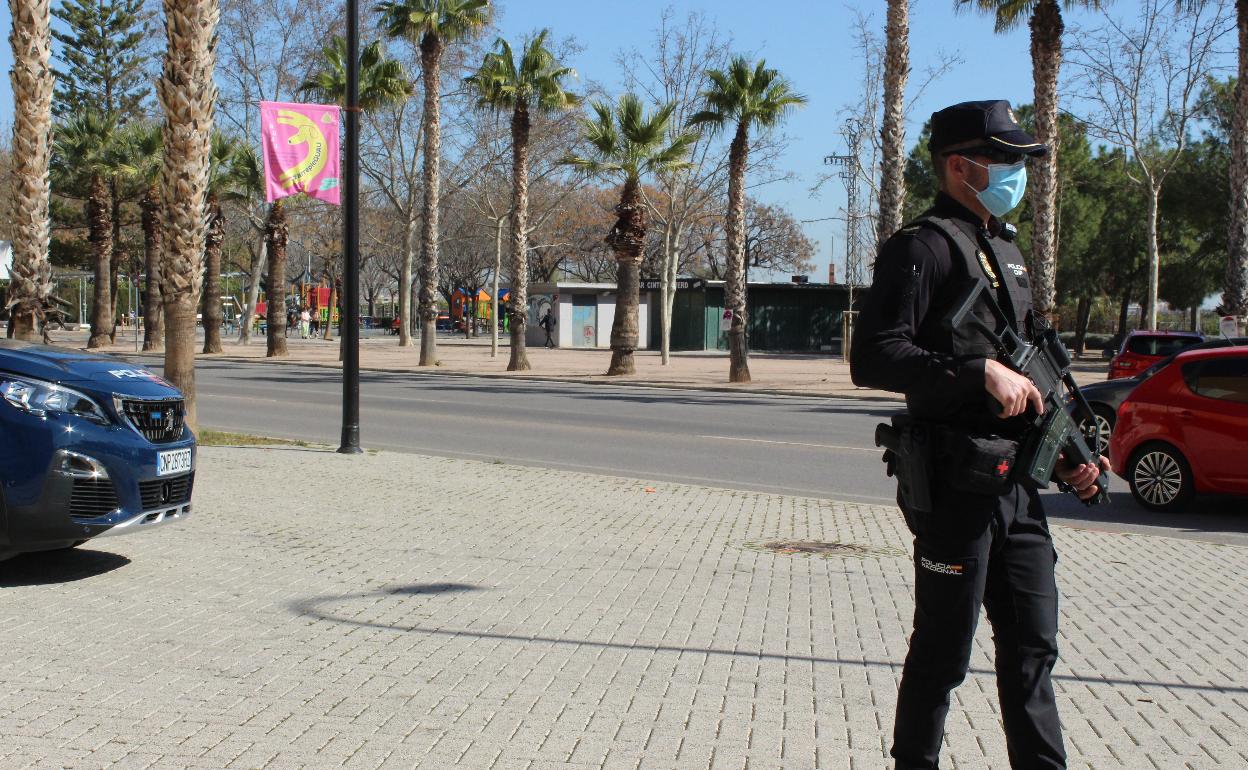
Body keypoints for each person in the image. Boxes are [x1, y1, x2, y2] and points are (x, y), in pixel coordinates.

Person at [849, 100, 1110, 770]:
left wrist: (1072, 458)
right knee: (942, 654)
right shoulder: (922, 247)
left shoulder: (1006, 250)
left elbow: (1034, 372)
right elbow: (873, 356)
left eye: (1020, 159)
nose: (1017, 170)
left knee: (1032, 652)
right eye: (1005, 158)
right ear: (959, 165)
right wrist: (976, 373)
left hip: (1019, 489)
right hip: (956, 484)